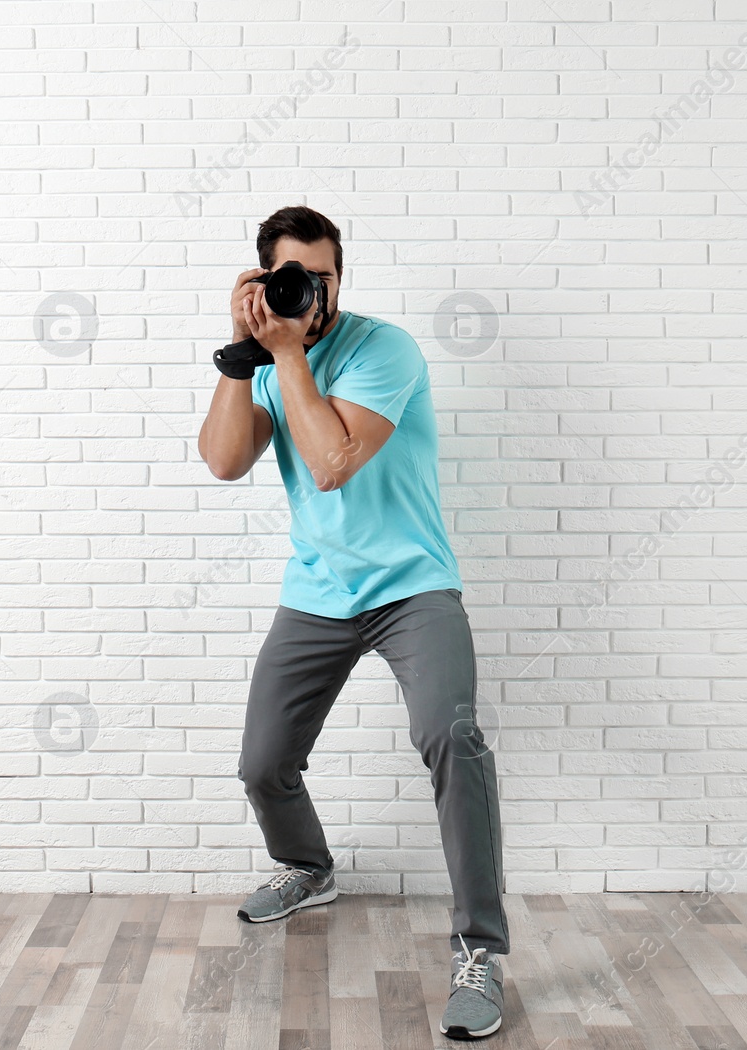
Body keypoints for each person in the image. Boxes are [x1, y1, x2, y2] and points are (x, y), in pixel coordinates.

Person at [196, 205, 510, 1040]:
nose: (313, 293)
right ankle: (308, 867)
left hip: (412, 588)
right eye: (294, 278)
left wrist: (291, 352)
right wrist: (242, 355)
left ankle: (479, 952)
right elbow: (225, 461)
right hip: (319, 591)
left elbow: (333, 462)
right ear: (264, 277)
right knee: (263, 763)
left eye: (325, 278)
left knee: (453, 737)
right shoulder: (265, 359)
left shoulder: (385, 350)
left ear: (340, 276)